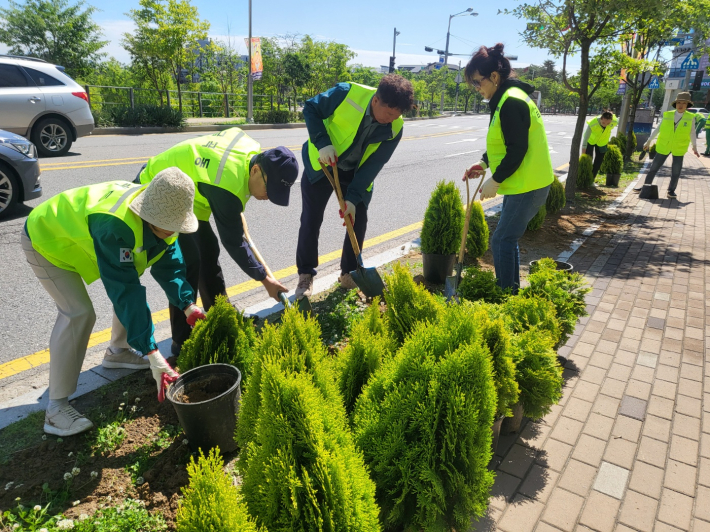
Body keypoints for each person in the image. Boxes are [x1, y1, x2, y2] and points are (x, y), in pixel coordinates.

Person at [22, 169, 205, 437]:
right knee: (79, 313)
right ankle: (56, 409)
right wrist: (152, 352)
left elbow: (170, 266)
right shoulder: (115, 225)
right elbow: (124, 290)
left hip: (79, 239)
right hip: (47, 239)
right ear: (149, 215)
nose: (173, 232)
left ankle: (118, 353)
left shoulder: (167, 219)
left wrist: (188, 304)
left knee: (130, 284)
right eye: (169, 226)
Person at [137, 128, 299, 356]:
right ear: (255, 170)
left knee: (208, 249)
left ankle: (219, 315)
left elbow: (230, 134)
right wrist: (265, 279)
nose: (268, 197)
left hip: (192, 197)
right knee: (187, 262)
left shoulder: (249, 148)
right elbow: (234, 242)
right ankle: (182, 343)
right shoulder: (227, 185)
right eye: (269, 189)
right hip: (161, 191)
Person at [294, 74, 415, 299]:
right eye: (388, 113)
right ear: (376, 100)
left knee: (357, 218)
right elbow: (311, 108)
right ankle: (305, 275)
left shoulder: (395, 127)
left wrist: (352, 198)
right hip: (322, 163)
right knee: (311, 219)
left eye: (396, 115)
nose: (391, 119)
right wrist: (322, 143)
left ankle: (349, 273)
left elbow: (374, 164)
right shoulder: (346, 93)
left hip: (355, 172)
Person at [462, 43, 553, 292]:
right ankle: (510, 290)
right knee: (507, 238)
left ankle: (505, 294)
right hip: (525, 182)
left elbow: (517, 149)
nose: (477, 88)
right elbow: (502, 141)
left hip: (528, 185)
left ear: (494, 76)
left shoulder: (511, 101)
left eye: (478, 82)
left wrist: (495, 179)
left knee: (501, 239)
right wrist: (483, 163)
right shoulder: (506, 98)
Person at [635, 92, 699, 198]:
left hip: (679, 147)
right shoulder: (668, 115)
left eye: (684, 103)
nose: (681, 105)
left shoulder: (690, 117)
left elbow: (692, 132)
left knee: (676, 171)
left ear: (687, 105)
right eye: (679, 102)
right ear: (675, 103)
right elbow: (658, 128)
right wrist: (649, 141)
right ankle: (645, 186)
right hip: (664, 145)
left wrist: (695, 146)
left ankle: (671, 191)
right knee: (653, 167)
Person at [582, 110, 618, 177]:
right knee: (589, 159)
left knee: (598, 161)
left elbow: (621, 120)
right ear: (601, 118)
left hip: (602, 142)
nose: (605, 125)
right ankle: (586, 176)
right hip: (591, 141)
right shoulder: (593, 123)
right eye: (603, 123)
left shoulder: (614, 121)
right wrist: (583, 150)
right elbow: (586, 137)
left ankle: (592, 178)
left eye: (608, 123)